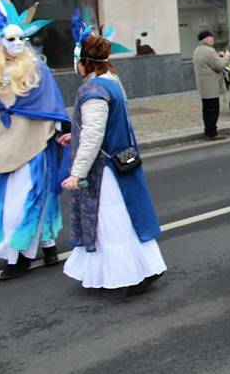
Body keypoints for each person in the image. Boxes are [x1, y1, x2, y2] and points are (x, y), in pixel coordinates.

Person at [61, 34, 166, 294]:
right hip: (119, 162)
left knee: (113, 224)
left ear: (83, 62)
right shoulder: (110, 81)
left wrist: (77, 173)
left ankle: (134, 273)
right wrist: (73, 134)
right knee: (126, 220)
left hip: (106, 170)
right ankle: (146, 267)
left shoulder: (94, 90)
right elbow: (97, 128)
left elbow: (94, 136)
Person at [0, 0, 68, 279]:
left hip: (33, 143)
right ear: (1, 41)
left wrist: (58, 129)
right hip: (2, 145)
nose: (18, 43)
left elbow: (49, 104)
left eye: (22, 38)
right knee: (9, 202)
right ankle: (25, 251)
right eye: (11, 38)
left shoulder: (37, 69)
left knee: (33, 198)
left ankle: (33, 251)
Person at [193, 30, 229, 141]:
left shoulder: (198, 50)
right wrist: (226, 57)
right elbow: (220, 66)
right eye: (211, 37)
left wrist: (218, 56)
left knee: (206, 109)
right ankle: (212, 133)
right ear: (206, 39)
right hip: (211, 85)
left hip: (203, 86)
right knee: (213, 110)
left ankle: (207, 131)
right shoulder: (209, 51)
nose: (213, 39)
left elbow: (209, 61)